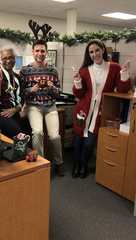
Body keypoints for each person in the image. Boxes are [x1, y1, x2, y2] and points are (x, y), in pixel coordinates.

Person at [72, 39, 131, 179]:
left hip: (101, 111)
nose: (94, 54)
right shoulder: (85, 70)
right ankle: (76, 164)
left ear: (103, 50)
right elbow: (79, 94)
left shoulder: (114, 67)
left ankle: (84, 164)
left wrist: (124, 73)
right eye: (91, 52)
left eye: (97, 50)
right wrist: (77, 80)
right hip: (83, 111)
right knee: (79, 139)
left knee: (90, 141)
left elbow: (123, 90)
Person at [19, 39, 66, 177]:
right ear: (32, 51)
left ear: (46, 52)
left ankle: (58, 163)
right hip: (33, 106)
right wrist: (30, 91)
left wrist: (52, 88)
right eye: (37, 51)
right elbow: (20, 93)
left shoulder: (53, 70)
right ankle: (39, 164)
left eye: (42, 51)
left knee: (54, 136)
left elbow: (58, 93)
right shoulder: (25, 71)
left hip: (50, 106)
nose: (40, 53)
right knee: (38, 132)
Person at [0, 47, 23, 139]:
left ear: (14, 59)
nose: (8, 61)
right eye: (5, 58)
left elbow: (21, 98)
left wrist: (14, 110)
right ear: (0, 61)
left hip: (14, 111)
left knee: (15, 138)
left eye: (10, 57)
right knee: (17, 133)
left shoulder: (17, 78)